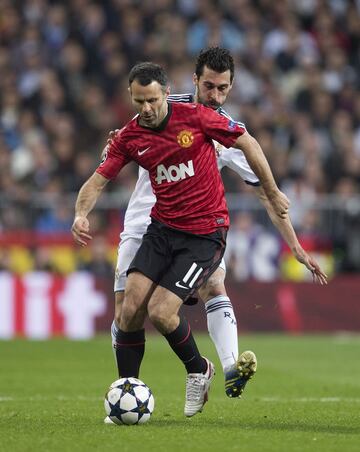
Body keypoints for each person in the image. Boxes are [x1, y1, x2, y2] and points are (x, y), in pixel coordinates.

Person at [105, 48, 327, 402]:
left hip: (195, 226)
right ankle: (126, 389)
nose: (215, 96)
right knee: (126, 313)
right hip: (144, 224)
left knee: (213, 282)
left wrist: (296, 247)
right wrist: (116, 141)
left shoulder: (229, 133)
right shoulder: (165, 106)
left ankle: (228, 368)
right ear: (195, 81)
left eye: (223, 89)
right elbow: (130, 131)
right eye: (209, 86)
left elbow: (267, 197)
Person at [72, 61, 290, 417]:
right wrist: (81, 213)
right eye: (139, 101)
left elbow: (247, 141)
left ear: (166, 93)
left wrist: (273, 190)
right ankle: (127, 391)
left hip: (203, 234)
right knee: (129, 310)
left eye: (153, 100)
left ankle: (200, 368)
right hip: (161, 229)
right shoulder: (129, 136)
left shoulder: (197, 117)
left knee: (161, 311)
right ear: (131, 97)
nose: (147, 108)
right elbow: (97, 181)